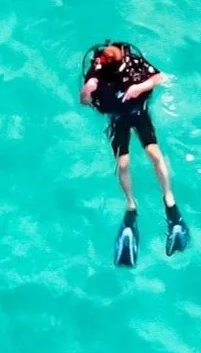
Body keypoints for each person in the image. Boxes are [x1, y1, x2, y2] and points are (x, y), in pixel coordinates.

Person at [79, 41, 188, 267]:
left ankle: (169, 200)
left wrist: (140, 87)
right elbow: (85, 101)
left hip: (137, 112)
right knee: (124, 162)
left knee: (154, 154)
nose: (101, 61)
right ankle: (130, 205)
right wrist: (87, 90)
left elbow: (163, 77)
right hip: (117, 118)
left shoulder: (134, 63)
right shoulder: (96, 70)